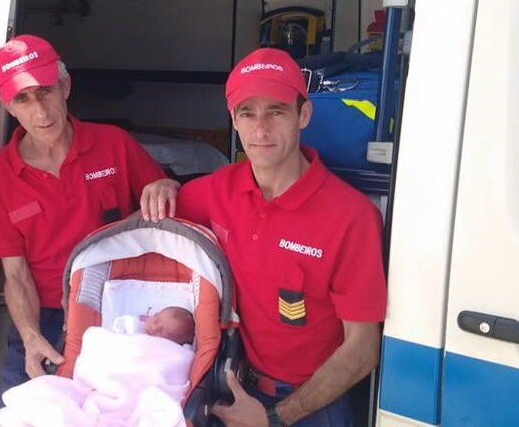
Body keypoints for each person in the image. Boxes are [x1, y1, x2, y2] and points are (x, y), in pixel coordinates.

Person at [140, 48, 387, 427]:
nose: (260, 130)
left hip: (311, 404)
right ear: (233, 119)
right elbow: (143, 232)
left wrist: (274, 418)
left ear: (303, 114)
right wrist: (163, 186)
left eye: (276, 111)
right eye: (247, 113)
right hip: (230, 384)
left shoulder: (351, 216)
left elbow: (363, 349)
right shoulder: (216, 189)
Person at [0, 34, 176, 411]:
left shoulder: (114, 143)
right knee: (13, 414)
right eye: (23, 99)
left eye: (46, 91)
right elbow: (15, 275)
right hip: (47, 319)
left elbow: (163, 213)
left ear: (65, 86)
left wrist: (166, 186)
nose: (40, 111)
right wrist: (31, 337)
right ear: (8, 106)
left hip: (120, 311)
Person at [0, 306, 197, 427]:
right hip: (97, 387)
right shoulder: (130, 327)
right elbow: (100, 339)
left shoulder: (173, 353)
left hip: (138, 393)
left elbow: (170, 368)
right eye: (157, 319)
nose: (155, 327)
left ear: (176, 342)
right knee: (45, 393)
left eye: (163, 331)